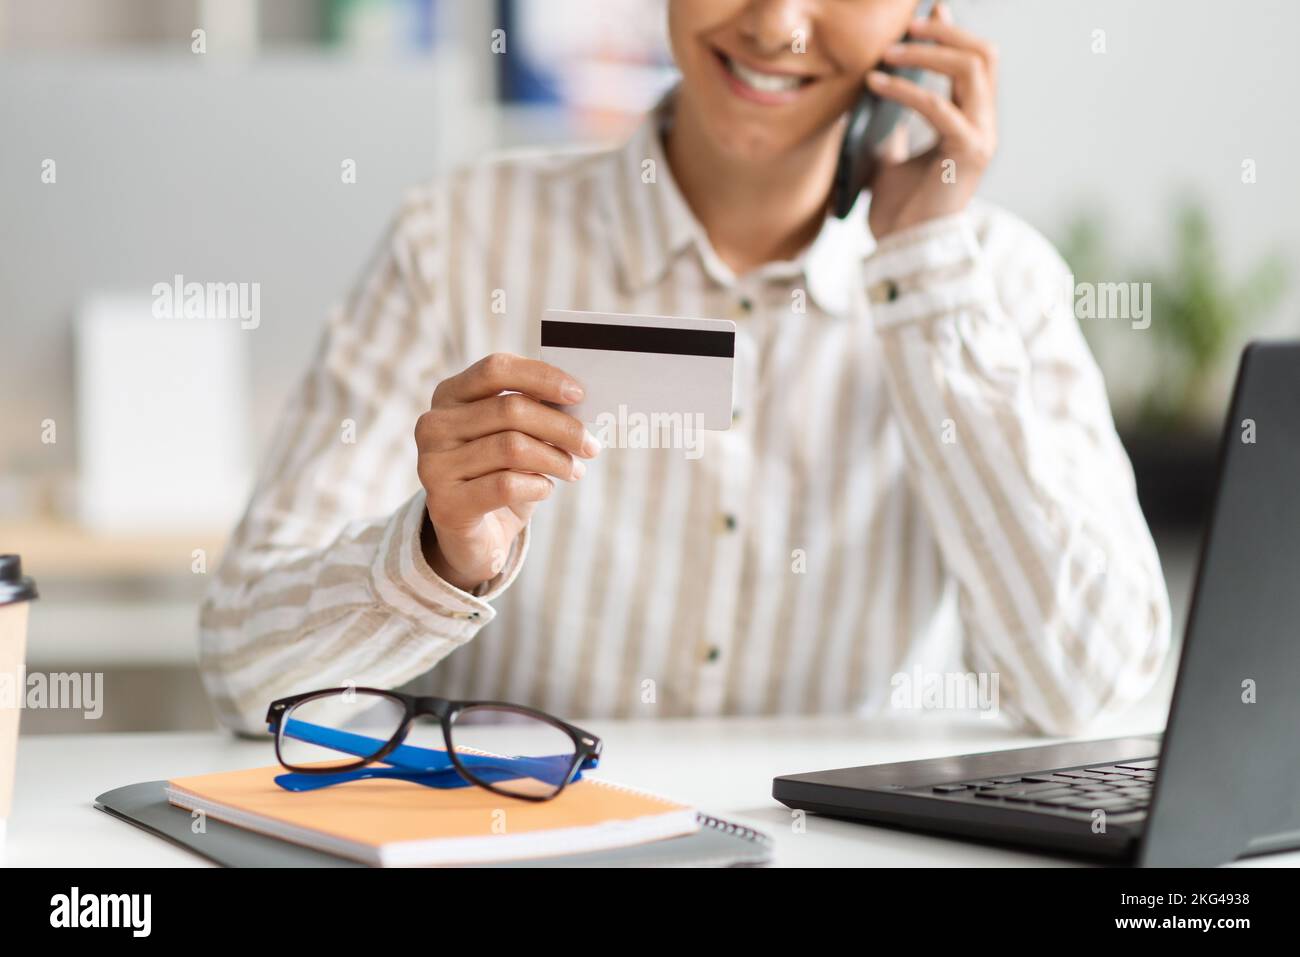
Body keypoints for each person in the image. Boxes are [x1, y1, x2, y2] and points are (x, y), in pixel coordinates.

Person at [200, 0, 1170, 737]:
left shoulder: (993, 283)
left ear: (925, 19)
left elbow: (1091, 700)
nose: (778, 25)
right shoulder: (456, 239)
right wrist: (437, 558)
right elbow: (247, 674)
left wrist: (925, 279)